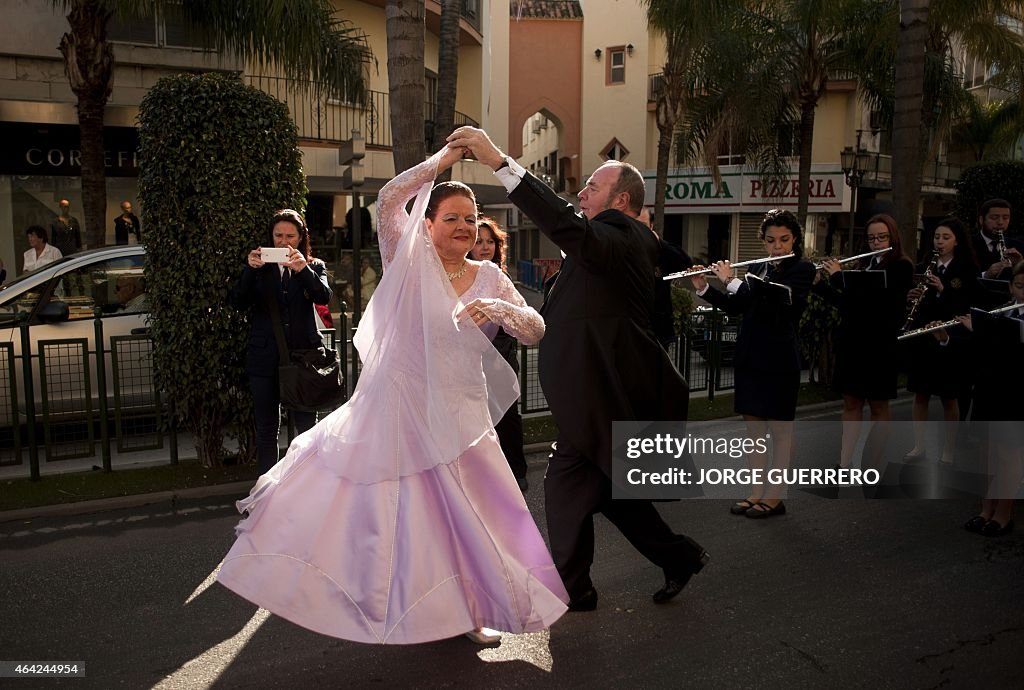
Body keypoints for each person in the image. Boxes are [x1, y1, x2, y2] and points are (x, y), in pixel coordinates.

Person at [218, 147, 568, 646]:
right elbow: (387, 199)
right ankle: (385, 603)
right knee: (404, 521)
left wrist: (498, 307)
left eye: (471, 219)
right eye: (452, 218)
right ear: (426, 225)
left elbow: (534, 329)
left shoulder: (490, 276)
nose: (465, 227)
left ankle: (471, 611)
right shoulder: (407, 259)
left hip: (463, 415)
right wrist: (445, 158)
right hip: (402, 412)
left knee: (471, 520)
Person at [448, 126, 707, 612]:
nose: (582, 192)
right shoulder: (603, 243)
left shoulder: (623, 235)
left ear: (622, 199)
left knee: (575, 488)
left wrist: (502, 163)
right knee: (606, 494)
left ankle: (575, 587)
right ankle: (664, 561)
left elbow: (568, 226)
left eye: (593, 186)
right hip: (590, 398)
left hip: (604, 397)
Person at [689, 209, 816, 518]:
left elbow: (776, 307)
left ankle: (774, 495)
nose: (778, 247)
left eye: (784, 240)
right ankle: (756, 492)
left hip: (779, 359)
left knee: (780, 431)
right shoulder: (758, 268)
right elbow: (739, 306)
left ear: (795, 239)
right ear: (764, 241)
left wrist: (733, 281)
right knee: (754, 432)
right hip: (751, 357)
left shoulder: (801, 269)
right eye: (771, 240)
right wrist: (704, 287)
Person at [229, 209, 331, 474]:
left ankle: (307, 485)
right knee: (266, 430)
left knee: (307, 431)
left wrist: (303, 269)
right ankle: (267, 491)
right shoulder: (260, 269)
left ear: (300, 238)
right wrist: (250, 270)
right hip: (264, 359)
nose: (284, 242)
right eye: (278, 236)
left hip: (302, 360)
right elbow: (238, 301)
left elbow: (323, 297)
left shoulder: (314, 266)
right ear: (270, 237)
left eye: (290, 236)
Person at [815, 214, 914, 471]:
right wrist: (819, 286)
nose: (877, 242)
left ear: (892, 237)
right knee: (851, 402)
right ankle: (846, 460)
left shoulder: (901, 266)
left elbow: (875, 302)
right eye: (872, 238)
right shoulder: (863, 265)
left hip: (880, 346)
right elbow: (848, 304)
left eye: (882, 237)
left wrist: (838, 277)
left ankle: (874, 463)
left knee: (878, 404)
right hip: (854, 344)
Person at [902, 218, 979, 465]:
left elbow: (965, 305)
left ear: (956, 240)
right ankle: (920, 445)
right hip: (925, 334)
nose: (940, 242)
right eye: (937, 237)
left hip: (949, 335)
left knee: (949, 396)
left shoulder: (966, 269)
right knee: (920, 394)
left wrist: (943, 289)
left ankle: (948, 449)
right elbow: (920, 302)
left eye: (946, 237)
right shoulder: (927, 264)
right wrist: (913, 296)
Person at [468, 215, 529, 492]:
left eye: (490, 241)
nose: (484, 247)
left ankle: (517, 472)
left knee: (507, 416)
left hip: (501, 357)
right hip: (468, 363)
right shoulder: (461, 276)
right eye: (479, 241)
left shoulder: (499, 278)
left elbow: (520, 320)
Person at [639, 208, 693, 349]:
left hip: (658, 329)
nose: (638, 230)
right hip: (630, 327)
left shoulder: (662, 251)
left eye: (643, 225)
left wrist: (658, 242)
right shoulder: (620, 247)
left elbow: (685, 263)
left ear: (651, 226)